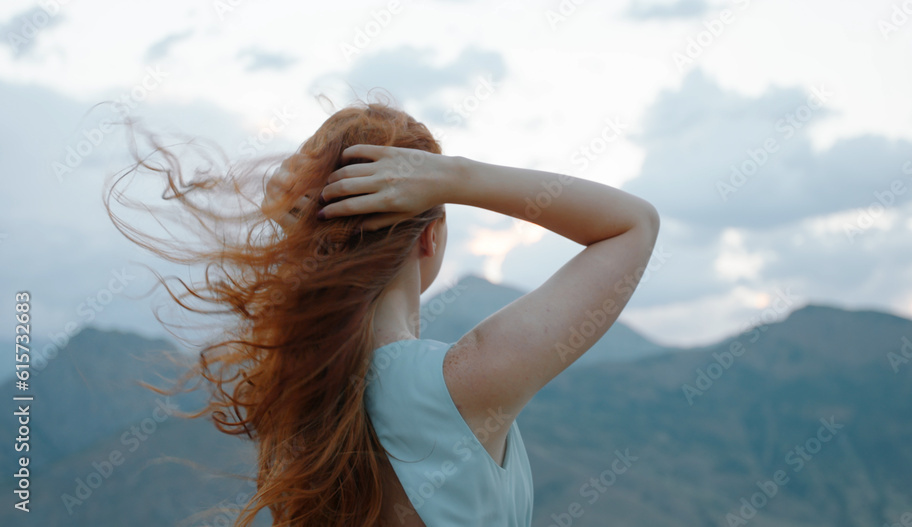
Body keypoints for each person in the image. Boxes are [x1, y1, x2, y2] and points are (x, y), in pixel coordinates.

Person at [106, 99, 659, 526]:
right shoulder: (465, 383)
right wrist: (457, 176)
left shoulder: (300, 394)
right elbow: (634, 223)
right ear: (431, 236)